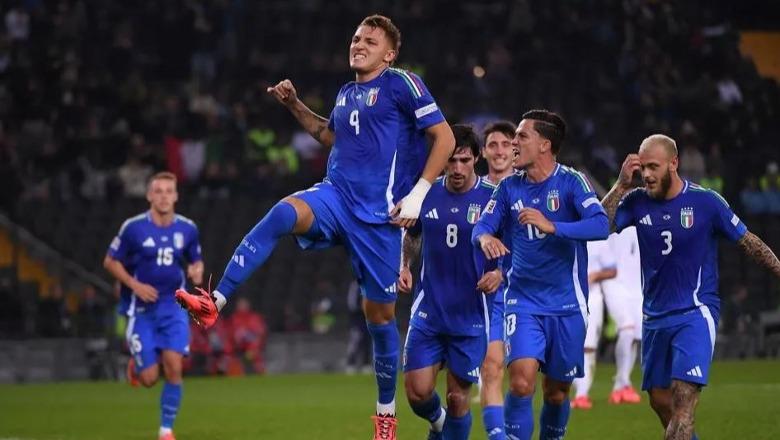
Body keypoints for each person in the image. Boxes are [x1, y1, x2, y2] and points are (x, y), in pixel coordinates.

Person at [175, 14, 455, 440]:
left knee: (379, 318)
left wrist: (418, 194)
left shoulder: (402, 83)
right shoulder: (346, 92)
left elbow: (445, 138)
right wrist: (293, 104)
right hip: (335, 197)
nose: (359, 44)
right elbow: (330, 135)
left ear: (390, 54)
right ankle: (215, 301)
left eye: (371, 41)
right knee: (282, 214)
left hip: (380, 219)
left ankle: (385, 415)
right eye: (356, 38)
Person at [600, 134, 780, 440]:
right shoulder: (636, 201)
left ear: (674, 163)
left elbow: (749, 242)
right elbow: (598, 227)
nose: (646, 174)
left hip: (694, 313)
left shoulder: (706, 202)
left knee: (683, 404)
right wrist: (620, 186)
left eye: (653, 167)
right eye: (643, 167)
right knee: (660, 402)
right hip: (654, 318)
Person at [472, 110, 609, 439]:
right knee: (521, 381)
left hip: (567, 304)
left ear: (544, 145)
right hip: (522, 300)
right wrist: (486, 238)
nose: (514, 144)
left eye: (521, 136)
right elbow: (482, 226)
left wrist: (553, 226)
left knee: (557, 391)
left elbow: (600, 225)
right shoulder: (508, 188)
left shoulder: (572, 182)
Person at [399, 124, 502, 440]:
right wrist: (404, 265)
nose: (457, 168)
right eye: (452, 160)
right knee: (417, 394)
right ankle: (438, 424)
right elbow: (412, 234)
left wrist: (500, 273)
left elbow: (515, 245)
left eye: (465, 160)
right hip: (428, 311)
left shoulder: (493, 198)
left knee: (458, 398)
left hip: (470, 315)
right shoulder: (425, 193)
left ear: (476, 159)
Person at [103, 171, 204, 440]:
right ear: (149, 195)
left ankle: (166, 430)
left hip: (174, 306)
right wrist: (133, 285)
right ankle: (138, 366)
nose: (163, 197)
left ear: (176, 196)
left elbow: (196, 260)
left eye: (169, 191)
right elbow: (110, 261)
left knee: (174, 367)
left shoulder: (188, 229)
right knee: (149, 379)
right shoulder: (133, 228)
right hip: (142, 309)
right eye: (158, 191)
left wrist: (197, 272)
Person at [476, 120, 517, 440]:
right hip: (480, 295)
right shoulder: (472, 191)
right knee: (491, 368)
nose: (499, 150)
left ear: (516, 151)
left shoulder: (528, 191)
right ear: (483, 152)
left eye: (506, 144)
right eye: (493, 144)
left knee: (523, 378)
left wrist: (502, 271)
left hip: (523, 293)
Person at [570, 239, 616, 409]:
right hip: (566, 298)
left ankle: (582, 394)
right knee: (568, 347)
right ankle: (571, 388)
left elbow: (612, 270)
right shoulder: (565, 235)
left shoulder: (598, 241)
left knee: (588, 348)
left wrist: (595, 275)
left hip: (592, 299)